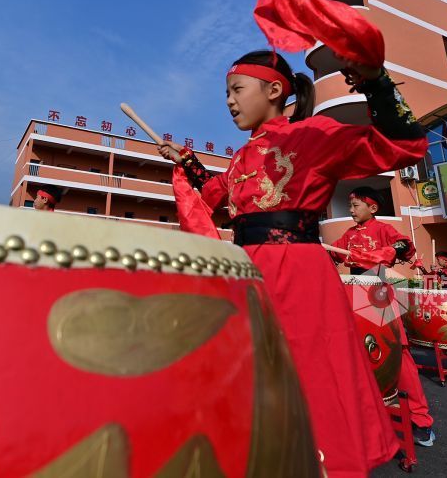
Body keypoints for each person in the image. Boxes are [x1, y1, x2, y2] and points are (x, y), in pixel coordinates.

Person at [159, 49, 427, 476]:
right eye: (226, 93)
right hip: (246, 271)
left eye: (236, 90)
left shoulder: (313, 135)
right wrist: (187, 162)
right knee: (249, 378)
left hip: (297, 272)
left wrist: (376, 82)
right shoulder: (242, 157)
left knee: (308, 374)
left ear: (274, 90)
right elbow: (215, 196)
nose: (228, 101)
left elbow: (403, 147)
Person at [329, 187, 437, 447]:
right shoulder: (349, 235)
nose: (352, 210)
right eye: (350, 206)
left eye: (356, 205)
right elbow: (333, 253)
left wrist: (390, 250)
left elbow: (405, 245)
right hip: (352, 291)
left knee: (397, 353)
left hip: (378, 292)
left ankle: (420, 419)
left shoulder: (383, 229)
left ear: (373, 208)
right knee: (352, 351)